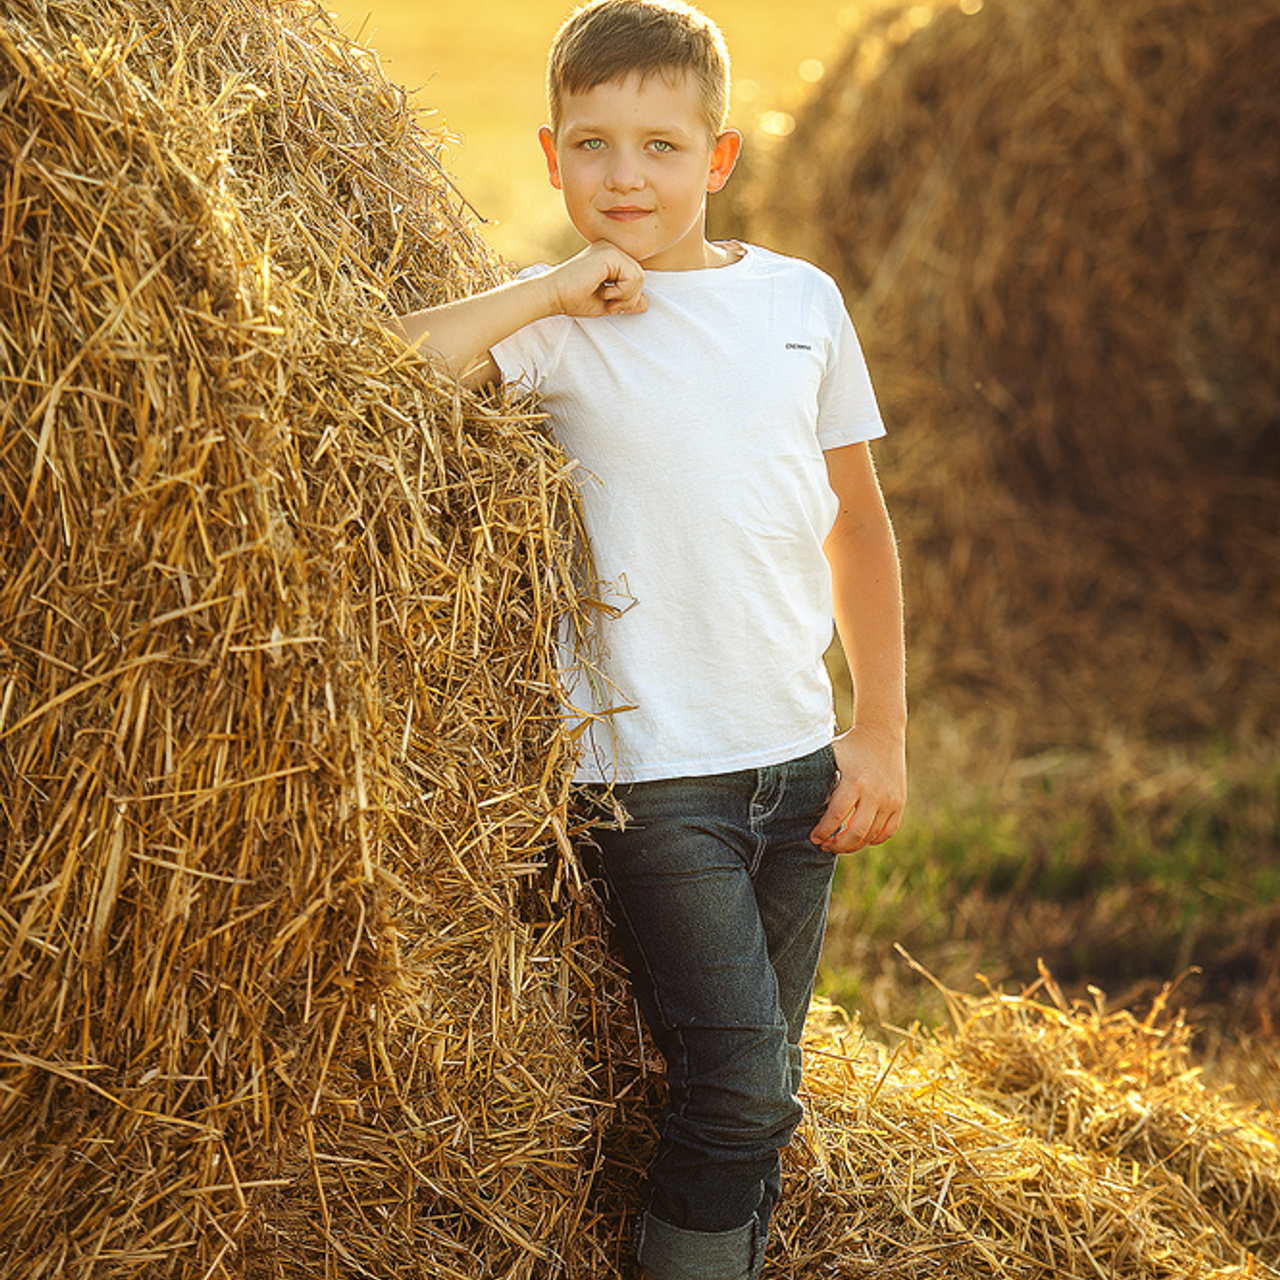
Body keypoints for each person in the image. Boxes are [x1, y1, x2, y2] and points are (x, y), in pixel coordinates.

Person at [394, 3, 906, 1276]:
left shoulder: (800, 301)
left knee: (759, 1088)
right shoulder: (559, 324)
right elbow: (380, 372)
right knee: (741, 1085)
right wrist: (544, 286)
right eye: (594, 145)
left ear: (717, 159)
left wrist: (880, 729)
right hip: (648, 780)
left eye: (661, 147)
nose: (626, 177)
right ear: (551, 153)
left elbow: (858, 528)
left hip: (797, 765)